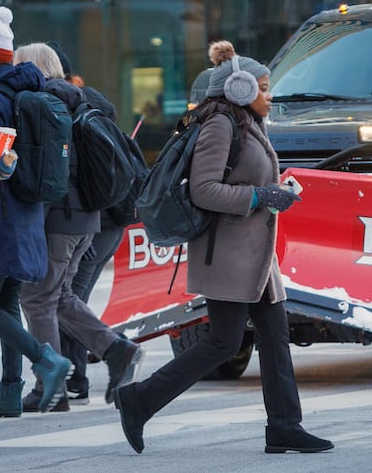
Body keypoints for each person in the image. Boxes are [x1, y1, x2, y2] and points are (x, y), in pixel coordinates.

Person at [111, 40, 334, 454]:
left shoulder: (247, 123)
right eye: (264, 88)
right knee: (223, 343)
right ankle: (139, 399)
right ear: (241, 90)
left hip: (254, 254)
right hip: (228, 254)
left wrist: (275, 191)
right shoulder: (220, 124)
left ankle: (285, 426)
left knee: (274, 336)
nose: (271, 96)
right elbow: (205, 190)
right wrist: (261, 197)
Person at [13, 42, 145, 411]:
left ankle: (49, 386)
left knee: (37, 299)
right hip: (89, 216)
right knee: (60, 296)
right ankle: (117, 350)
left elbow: (53, 172)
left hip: (60, 217)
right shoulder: (82, 100)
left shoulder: (44, 105)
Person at [0, 7, 73, 418]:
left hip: (0, 211)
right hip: (25, 210)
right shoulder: (24, 92)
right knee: (6, 301)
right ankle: (10, 392)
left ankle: (47, 360)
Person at [46, 40, 126, 405]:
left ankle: (80, 372)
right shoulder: (96, 104)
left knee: (65, 298)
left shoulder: (67, 106)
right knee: (71, 298)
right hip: (108, 220)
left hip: (92, 219)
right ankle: (77, 376)